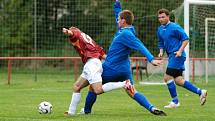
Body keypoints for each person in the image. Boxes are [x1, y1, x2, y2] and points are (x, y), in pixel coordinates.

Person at [81, 0, 166, 116]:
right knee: (132, 91)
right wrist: (117, 6)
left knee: (93, 88)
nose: (117, 20)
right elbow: (118, 15)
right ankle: (151, 108)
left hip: (111, 68)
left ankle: (86, 112)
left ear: (124, 21)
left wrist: (151, 59)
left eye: (119, 19)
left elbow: (140, 45)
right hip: (125, 69)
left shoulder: (126, 34)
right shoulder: (125, 30)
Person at [62, 27, 129, 115]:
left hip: (92, 64)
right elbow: (103, 55)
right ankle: (71, 112)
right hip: (93, 63)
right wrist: (116, 61)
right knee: (76, 87)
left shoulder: (76, 34)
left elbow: (72, 34)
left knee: (97, 90)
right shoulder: (89, 40)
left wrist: (67, 32)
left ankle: (124, 83)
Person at [157, 8, 208, 108]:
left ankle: (175, 102)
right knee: (179, 80)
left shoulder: (174, 27)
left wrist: (180, 51)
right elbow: (160, 42)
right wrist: (161, 52)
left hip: (177, 55)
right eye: (159, 17)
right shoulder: (160, 29)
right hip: (172, 56)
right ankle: (200, 92)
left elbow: (186, 39)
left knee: (167, 77)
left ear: (168, 16)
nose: (161, 19)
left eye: (163, 17)